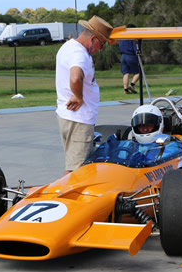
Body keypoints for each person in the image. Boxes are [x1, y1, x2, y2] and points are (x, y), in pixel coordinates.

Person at [55, 15, 114, 175]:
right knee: (76, 170)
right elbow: (75, 77)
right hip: (78, 120)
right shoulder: (79, 54)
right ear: (93, 38)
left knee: (74, 163)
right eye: (101, 44)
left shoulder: (69, 47)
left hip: (70, 117)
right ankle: (66, 197)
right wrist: (79, 97)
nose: (101, 48)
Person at [119, 24, 140, 94]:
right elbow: (135, 48)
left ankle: (125, 89)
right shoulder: (132, 37)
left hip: (123, 56)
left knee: (126, 73)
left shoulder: (122, 37)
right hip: (131, 55)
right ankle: (132, 85)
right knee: (138, 72)